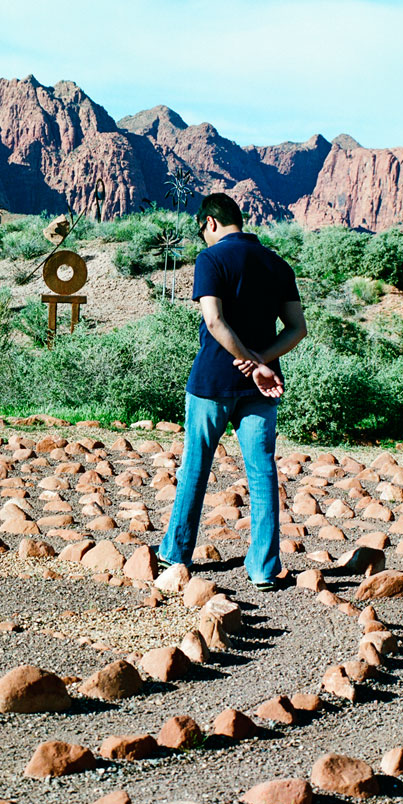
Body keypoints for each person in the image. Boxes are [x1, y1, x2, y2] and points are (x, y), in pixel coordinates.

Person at [156, 193, 306, 589]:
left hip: (213, 381)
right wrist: (261, 361)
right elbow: (296, 329)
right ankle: (264, 568)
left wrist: (247, 360)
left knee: (196, 465)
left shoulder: (212, 259)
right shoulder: (277, 264)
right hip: (263, 386)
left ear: (210, 223)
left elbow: (215, 322)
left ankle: (175, 553)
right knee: (262, 471)